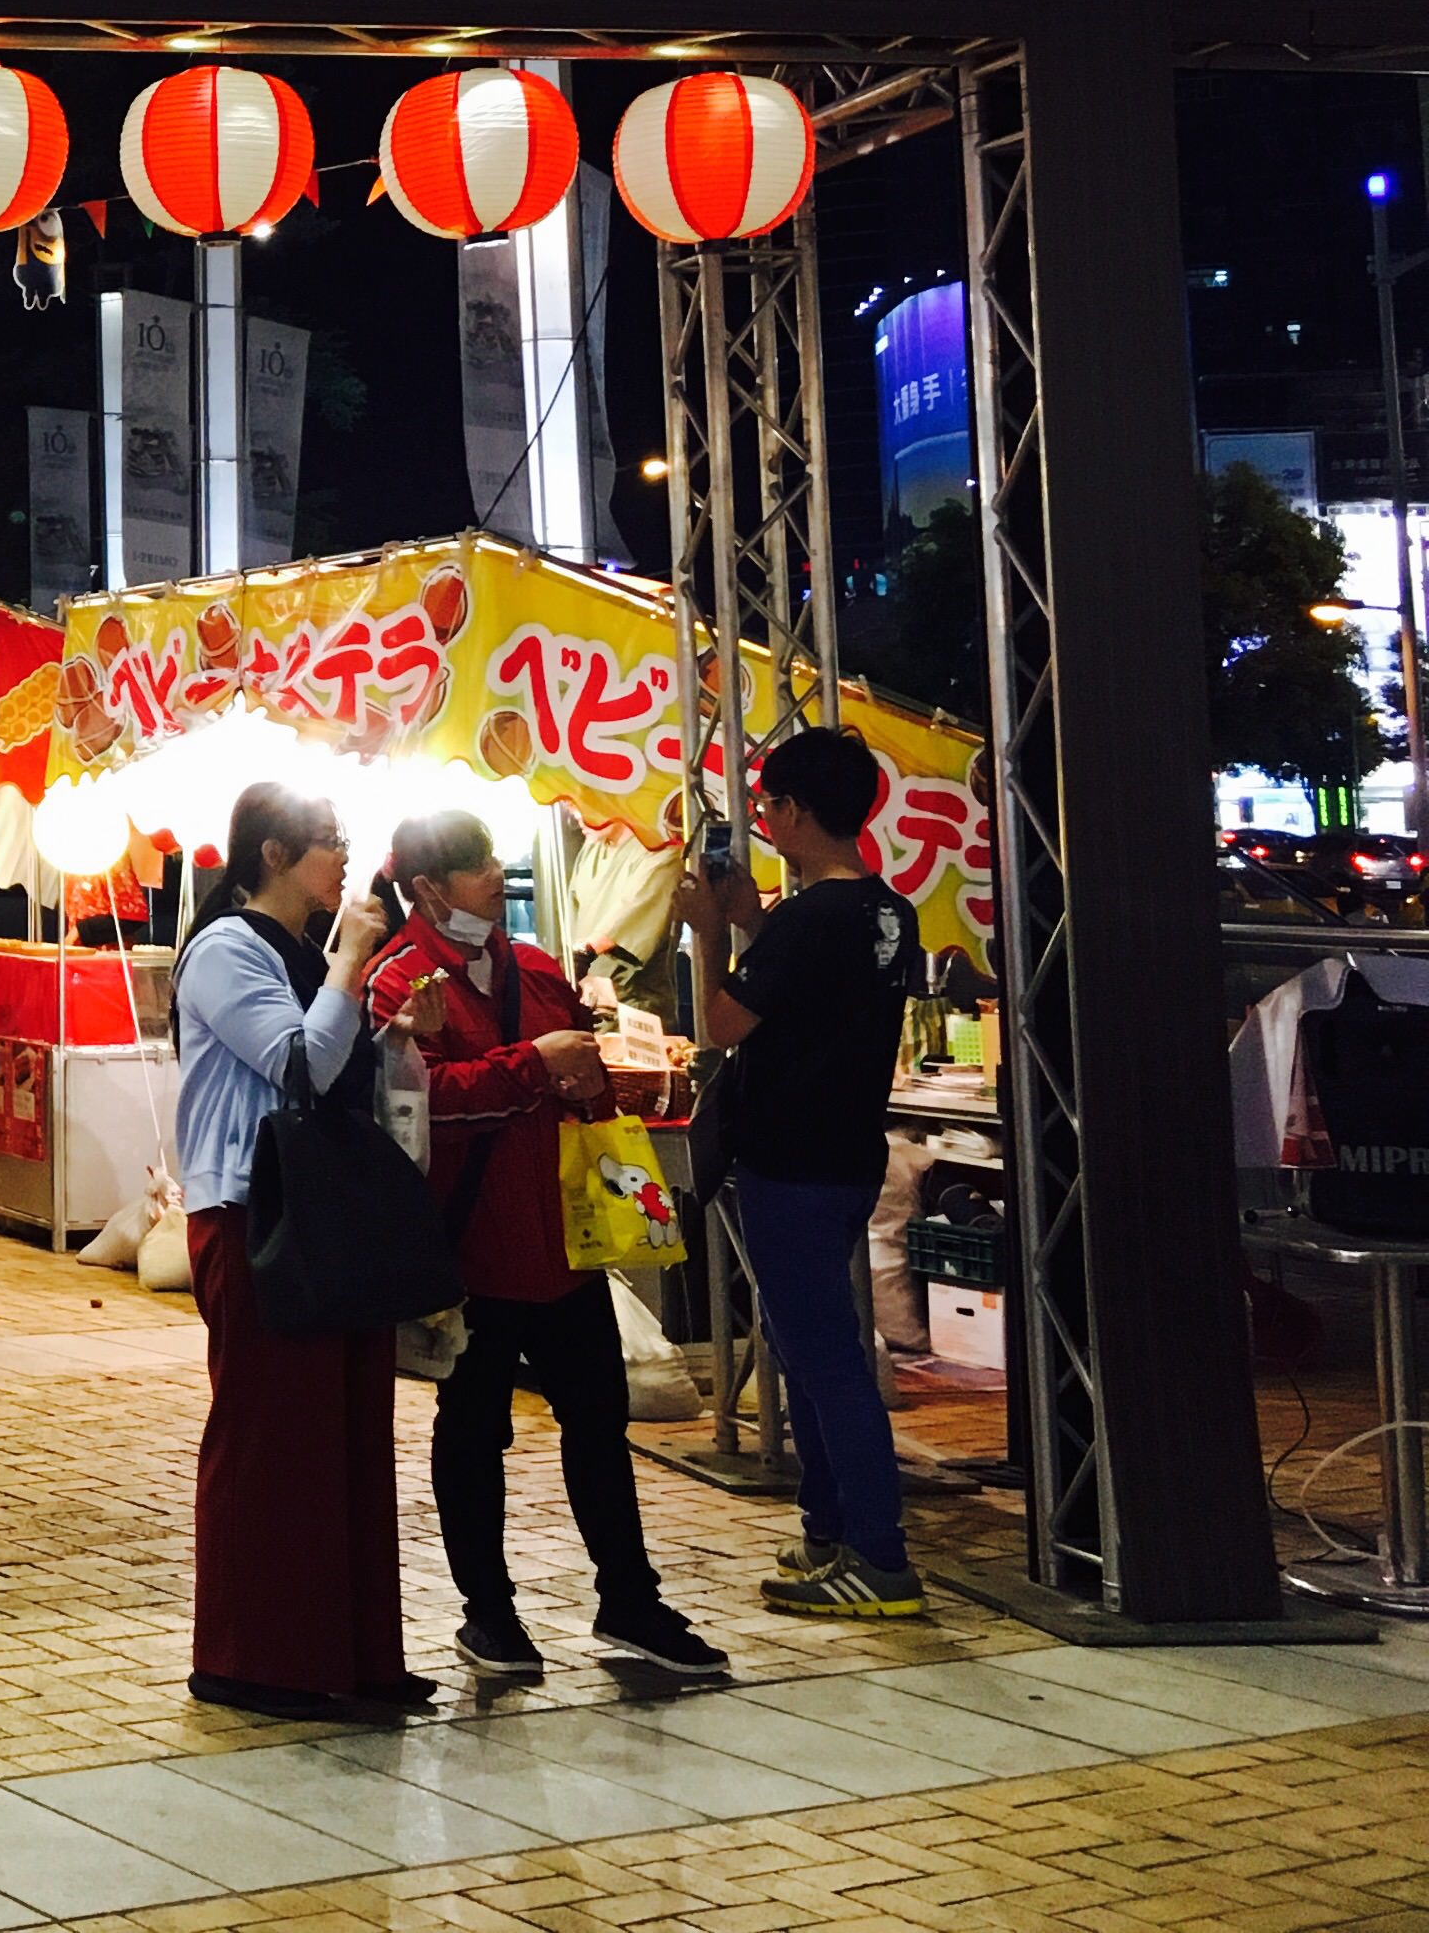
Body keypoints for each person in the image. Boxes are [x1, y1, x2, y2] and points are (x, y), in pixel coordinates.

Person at [364, 810, 726, 1683]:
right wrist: (534, 1065)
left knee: (599, 1423)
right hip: (466, 1251)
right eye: (476, 863)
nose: (496, 874)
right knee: (474, 1431)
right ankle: (489, 1616)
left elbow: (578, 1081)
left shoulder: (533, 966)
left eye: (492, 859)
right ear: (425, 889)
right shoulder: (398, 984)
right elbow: (414, 1107)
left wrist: (591, 1072)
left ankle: (630, 1602)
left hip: (564, 1245)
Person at [172, 781, 428, 1720]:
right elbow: (298, 1063)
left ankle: (352, 1656)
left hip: (326, 1215)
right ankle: (252, 1659)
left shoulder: (307, 954)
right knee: (272, 1439)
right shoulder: (227, 950)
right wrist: (353, 964)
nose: (342, 856)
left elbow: (343, 1073)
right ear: (271, 855)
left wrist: (397, 1031)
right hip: (254, 1214)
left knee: (347, 1437)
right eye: (325, 841)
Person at [695, 726, 933, 1623]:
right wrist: (755, 921)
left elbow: (723, 1023)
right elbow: (815, 992)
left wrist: (713, 935)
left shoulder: (808, 920)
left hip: (789, 1161)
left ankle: (880, 1555)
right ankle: (830, 1529)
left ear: (793, 811)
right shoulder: (884, 911)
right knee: (816, 1348)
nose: (763, 821)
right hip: (847, 1155)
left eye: (766, 808)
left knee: (824, 1360)